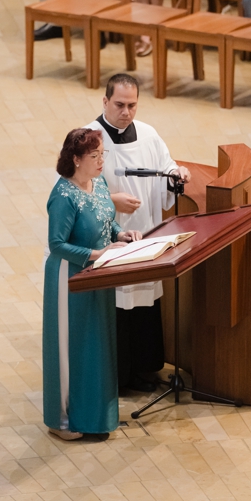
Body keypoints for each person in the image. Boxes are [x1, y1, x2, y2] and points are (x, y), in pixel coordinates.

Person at [84, 74, 187, 390]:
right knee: (118, 310)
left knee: (144, 307)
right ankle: (118, 375)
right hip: (112, 242)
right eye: (119, 105)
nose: (126, 112)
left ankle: (145, 370)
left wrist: (177, 176)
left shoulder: (148, 134)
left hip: (146, 233)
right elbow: (74, 190)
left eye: (132, 105)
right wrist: (111, 201)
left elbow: (167, 167)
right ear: (105, 101)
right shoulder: (89, 138)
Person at [42, 127, 140, 440]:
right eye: (94, 156)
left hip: (99, 274)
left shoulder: (98, 184)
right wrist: (100, 253)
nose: (101, 161)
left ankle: (95, 417)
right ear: (75, 159)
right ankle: (63, 421)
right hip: (69, 279)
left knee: (97, 345)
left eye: (102, 154)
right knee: (72, 346)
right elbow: (57, 244)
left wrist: (120, 233)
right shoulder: (63, 197)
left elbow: (106, 219)